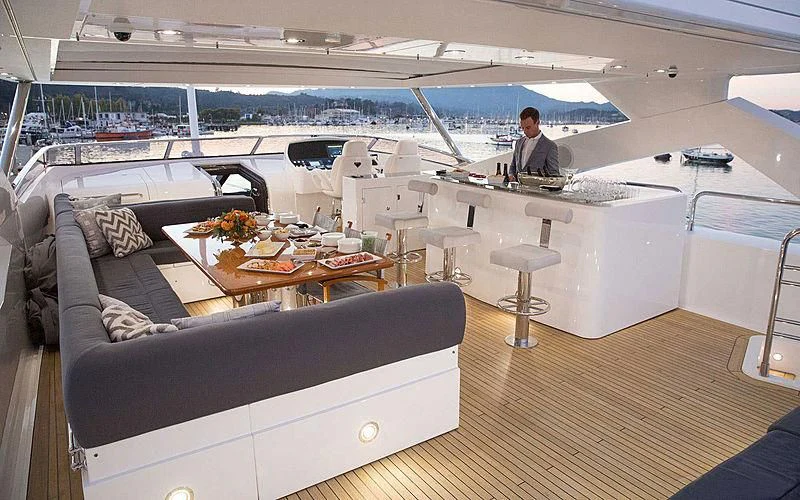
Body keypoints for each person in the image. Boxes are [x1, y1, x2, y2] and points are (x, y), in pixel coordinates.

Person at [509, 107, 559, 180]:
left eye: (528, 127)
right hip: (517, 189)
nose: (525, 131)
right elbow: (513, 166)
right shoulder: (518, 142)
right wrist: (511, 175)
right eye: (522, 128)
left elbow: (555, 175)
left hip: (537, 190)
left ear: (537, 122)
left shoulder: (550, 146)